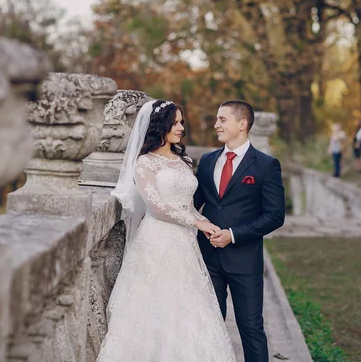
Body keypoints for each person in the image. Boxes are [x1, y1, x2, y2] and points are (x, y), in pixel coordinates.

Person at [98, 100, 236, 362]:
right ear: (159, 126)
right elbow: (157, 207)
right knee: (155, 306)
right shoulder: (144, 163)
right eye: (174, 123)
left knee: (188, 307)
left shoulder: (183, 159)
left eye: (181, 122)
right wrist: (198, 223)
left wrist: (206, 223)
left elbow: (187, 205)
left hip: (185, 243)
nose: (181, 127)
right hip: (157, 240)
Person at [194, 100, 285, 362]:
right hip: (208, 258)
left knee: (251, 329)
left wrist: (232, 234)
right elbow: (194, 203)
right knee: (208, 326)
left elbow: (274, 216)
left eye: (222, 119)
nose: (216, 125)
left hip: (245, 261)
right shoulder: (209, 161)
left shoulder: (266, 165)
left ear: (242, 124)